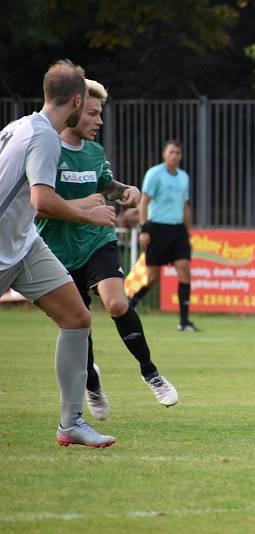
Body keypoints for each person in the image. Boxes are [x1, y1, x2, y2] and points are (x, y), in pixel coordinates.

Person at [36, 79, 179, 420]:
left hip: (97, 240)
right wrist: (86, 204)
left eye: (101, 113)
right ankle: (92, 382)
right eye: (93, 113)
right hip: (56, 250)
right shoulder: (45, 149)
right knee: (77, 321)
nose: (99, 121)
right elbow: (39, 204)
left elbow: (106, 187)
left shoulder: (95, 152)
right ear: (73, 109)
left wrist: (126, 190)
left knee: (117, 302)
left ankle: (150, 372)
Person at [0, 60, 117, 447]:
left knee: (77, 316)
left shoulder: (20, 125)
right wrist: (91, 213)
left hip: (24, 242)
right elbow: (43, 200)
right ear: (77, 100)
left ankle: (72, 423)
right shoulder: (46, 137)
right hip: (3, 245)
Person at [129, 140, 199, 332]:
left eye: (177, 152)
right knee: (152, 276)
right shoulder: (154, 174)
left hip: (178, 231)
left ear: (181, 156)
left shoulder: (184, 177)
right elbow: (143, 203)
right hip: (157, 229)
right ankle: (130, 304)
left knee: (184, 269)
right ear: (164, 154)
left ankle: (184, 322)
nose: (174, 155)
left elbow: (185, 206)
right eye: (171, 152)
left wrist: (187, 233)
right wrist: (144, 230)